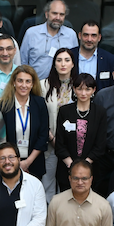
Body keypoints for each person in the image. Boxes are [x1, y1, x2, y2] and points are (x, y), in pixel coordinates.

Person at [52, 73, 108, 193]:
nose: (83, 93)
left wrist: (84, 167)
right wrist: (72, 166)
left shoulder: (100, 113)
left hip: (92, 170)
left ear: (93, 90)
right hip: (66, 169)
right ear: (74, 89)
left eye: (87, 89)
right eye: (80, 89)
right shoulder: (64, 111)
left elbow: (100, 145)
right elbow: (60, 144)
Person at [0, 65, 49, 181]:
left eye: (28, 81)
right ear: (14, 83)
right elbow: (2, 138)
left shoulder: (40, 103)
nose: (24, 85)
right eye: (20, 81)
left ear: (32, 84)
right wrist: (13, 161)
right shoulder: (4, 106)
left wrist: (28, 162)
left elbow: (43, 135)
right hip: (8, 163)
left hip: (34, 162)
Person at [41, 48, 77, 197]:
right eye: (59, 60)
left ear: (73, 64)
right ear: (54, 64)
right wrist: (52, 138)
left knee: (70, 183)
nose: (63, 64)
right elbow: (40, 116)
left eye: (67, 60)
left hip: (73, 145)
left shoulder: (79, 86)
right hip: (50, 143)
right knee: (47, 183)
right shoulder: (43, 85)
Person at [19, 0, 77, 79]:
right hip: (36, 86)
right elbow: (23, 62)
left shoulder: (71, 35)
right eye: (54, 13)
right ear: (46, 14)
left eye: (61, 14)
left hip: (62, 87)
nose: (58, 17)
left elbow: (74, 62)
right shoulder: (31, 33)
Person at [75, 20, 114, 90]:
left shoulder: (109, 59)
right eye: (86, 35)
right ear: (80, 36)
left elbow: (113, 87)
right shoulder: (69, 56)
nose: (89, 39)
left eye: (93, 35)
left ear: (99, 37)